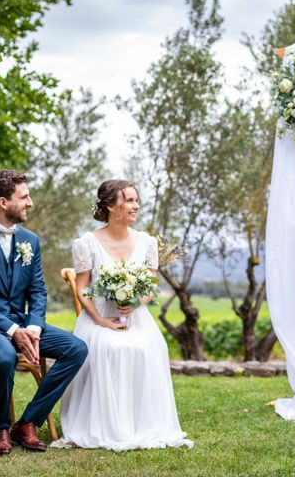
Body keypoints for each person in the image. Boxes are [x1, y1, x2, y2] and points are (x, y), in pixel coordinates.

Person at [0, 169, 88, 455]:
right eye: (24, 197)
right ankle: (0, 428)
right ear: (3, 202)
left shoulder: (30, 240)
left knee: (75, 348)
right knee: (3, 354)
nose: (30, 203)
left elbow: (38, 291)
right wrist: (13, 331)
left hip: (21, 325)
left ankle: (27, 424)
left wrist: (34, 328)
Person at [53, 179, 193, 452]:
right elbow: (82, 290)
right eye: (128, 200)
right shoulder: (86, 243)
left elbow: (152, 288)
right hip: (98, 316)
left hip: (136, 316)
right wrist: (100, 320)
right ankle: (103, 425)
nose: (136, 205)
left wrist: (134, 302)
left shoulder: (147, 242)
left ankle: (141, 424)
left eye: (136, 200)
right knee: (106, 346)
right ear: (109, 206)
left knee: (148, 346)